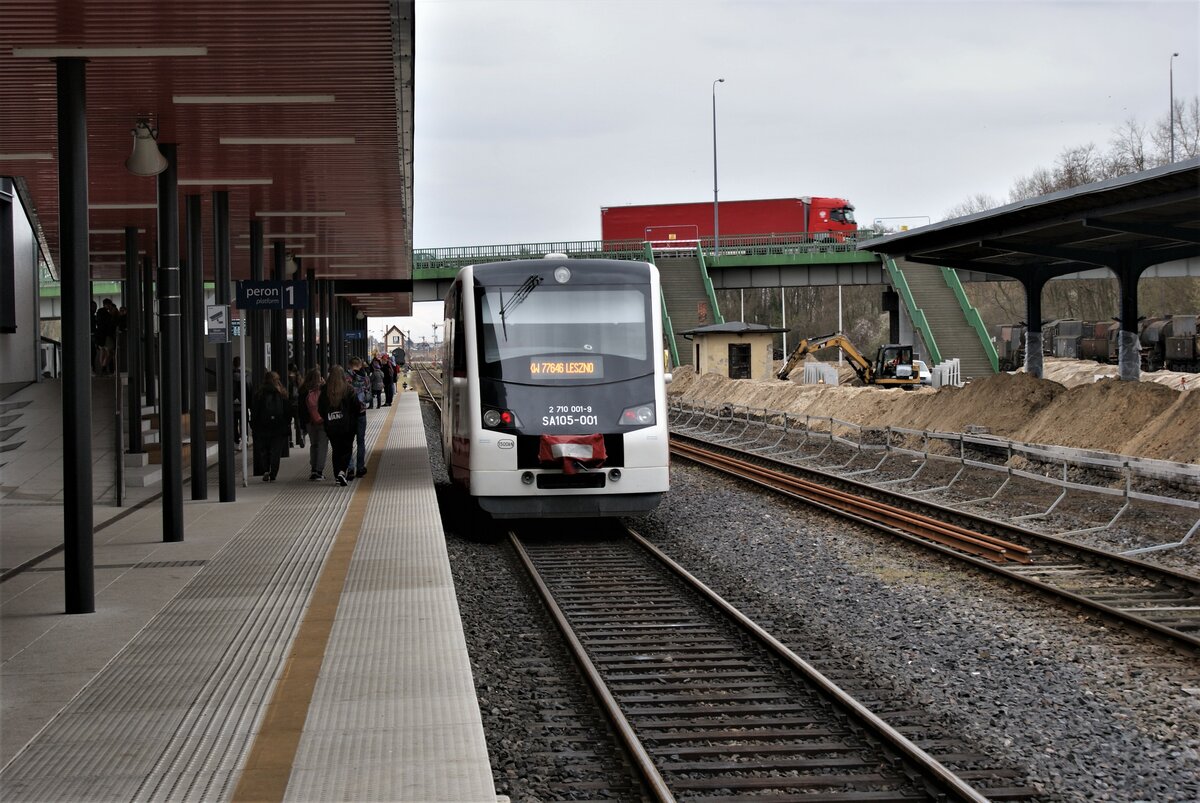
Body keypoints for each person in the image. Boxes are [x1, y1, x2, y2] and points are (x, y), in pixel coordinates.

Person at [319, 365, 360, 486]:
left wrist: (327, 419)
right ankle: (342, 471)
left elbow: (320, 409)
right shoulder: (349, 389)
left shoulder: (325, 390)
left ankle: (337, 475)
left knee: (336, 450)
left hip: (331, 426)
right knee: (347, 449)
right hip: (347, 427)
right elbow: (356, 407)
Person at [250, 370, 291, 482]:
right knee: (275, 451)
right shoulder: (282, 393)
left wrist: (254, 425)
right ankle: (273, 473)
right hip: (278, 427)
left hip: (263, 427)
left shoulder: (259, 393)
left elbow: (255, 411)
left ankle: (266, 470)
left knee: (264, 450)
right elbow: (288, 411)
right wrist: (286, 423)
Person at [300, 367, 328, 480]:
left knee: (314, 445)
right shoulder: (323, 389)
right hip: (322, 421)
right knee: (322, 445)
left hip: (310, 422)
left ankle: (313, 469)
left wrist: (303, 425)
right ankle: (319, 471)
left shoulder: (303, 390)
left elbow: (301, 409)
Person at [347, 356, 371, 479]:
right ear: (360, 365)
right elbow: (368, 396)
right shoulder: (365, 378)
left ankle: (350, 469)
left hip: (348, 414)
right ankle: (360, 468)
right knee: (361, 442)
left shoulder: (346, 378)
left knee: (348, 442)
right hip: (361, 413)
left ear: (349, 365)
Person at [287, 363, 305, 449]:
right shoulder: (299, 378)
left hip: (290, 403)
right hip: (298, 404)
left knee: (288, 422)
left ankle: (290, 440)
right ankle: (300, 438)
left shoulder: (288, 379)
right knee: (298, 423)